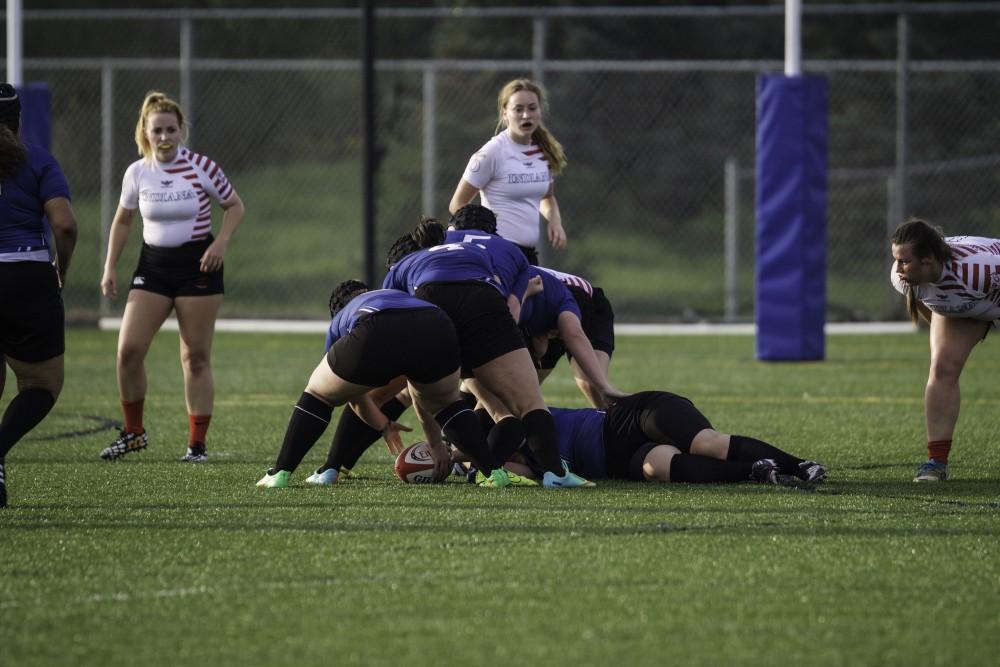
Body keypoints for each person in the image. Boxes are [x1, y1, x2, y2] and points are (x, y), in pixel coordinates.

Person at [383, 219, 594, 488]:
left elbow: (389, 308)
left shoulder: (405, 265)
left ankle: (478, 465)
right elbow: (511, 294)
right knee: (528, 402)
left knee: (436, 398)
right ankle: (555, 474)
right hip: (482, 301)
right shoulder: (483, 250)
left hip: (432, 301)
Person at [256, 280, 526, 489]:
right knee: (447, 404)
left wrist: (382, 425)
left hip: (378, 326)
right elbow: (422, 397)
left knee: (318, 394)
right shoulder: (392, 294)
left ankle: (281, 472)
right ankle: (494, 472)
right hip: (437, 323)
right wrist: (398, 431)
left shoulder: (342, 319)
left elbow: (355, 397)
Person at [99, 91, 245, 463]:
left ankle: (196, 445)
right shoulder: (137, 172)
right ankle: (134, 432)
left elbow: (234, 205)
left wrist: (221, 244)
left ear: (181, 131)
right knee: (128, 352)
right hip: (153, 267)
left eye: (171, 130)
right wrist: (110, 266)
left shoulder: (201, 166)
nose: (164, 138)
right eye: (157, 131)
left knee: (194, 357)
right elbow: (123, 220)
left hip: (198, 265)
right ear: (145, 133)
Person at [454, 391, 828, 487]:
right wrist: (459, 460)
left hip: (631, 419)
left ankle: (800, 465)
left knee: (706, 443)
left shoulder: (527, 416)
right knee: (657, 468)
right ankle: (754, 471)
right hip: (623, 461)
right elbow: (498, 467)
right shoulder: (527, 464)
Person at [0, 83, 78, 507]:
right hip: (25, 274)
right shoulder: (38, 160)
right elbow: (64, 225)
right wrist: (59, 270)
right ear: (17, 121)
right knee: (41, 384)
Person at [890, 218, 1000, 482]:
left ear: (928, 259)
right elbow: (934, 305)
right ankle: (936, 463)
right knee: (942, 367)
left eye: (904, 261)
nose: (897, 267)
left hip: (992, 294)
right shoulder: (903, 278)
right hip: (973, 306)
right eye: (896, 259)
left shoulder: (980, 269)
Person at [449, 79, 568, 265]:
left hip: (527, 255)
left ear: (540, 111)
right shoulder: (492, 152)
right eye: (518, 109)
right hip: (497, 254)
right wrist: (485, 236)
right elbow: (457, 204)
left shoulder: (543, 152)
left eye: (532, 108)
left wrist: (554, 220)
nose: (526, 115)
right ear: (505, 113)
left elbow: (546, 197)